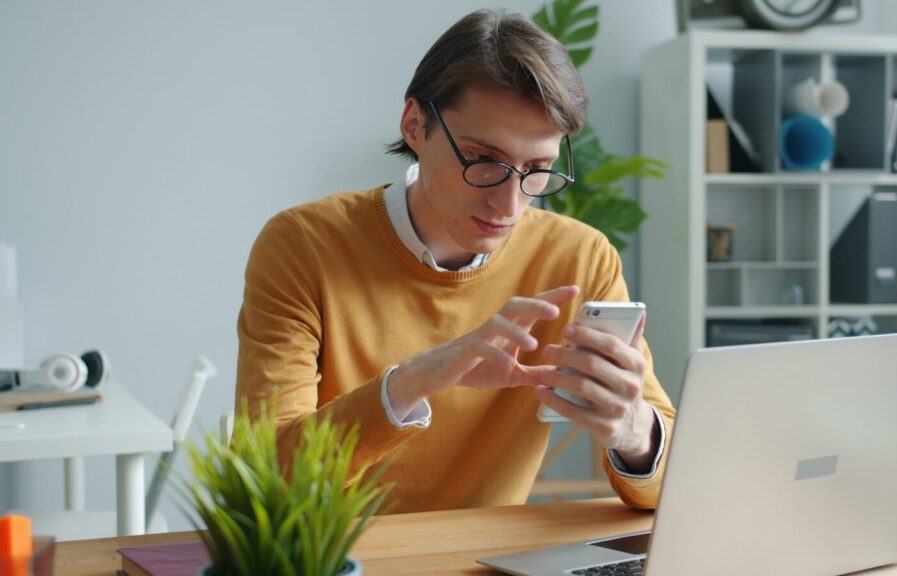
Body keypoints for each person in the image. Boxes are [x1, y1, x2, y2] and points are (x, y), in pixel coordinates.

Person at [235, 9, 676, 514]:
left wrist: (634, 430)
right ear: (415, 125)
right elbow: (263, 479)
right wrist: (415, 380)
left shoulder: (579, 258)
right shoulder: (302, 246)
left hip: (487, 561)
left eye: (537, 170)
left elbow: (670, 485)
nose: (509, 205)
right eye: (484, 161)